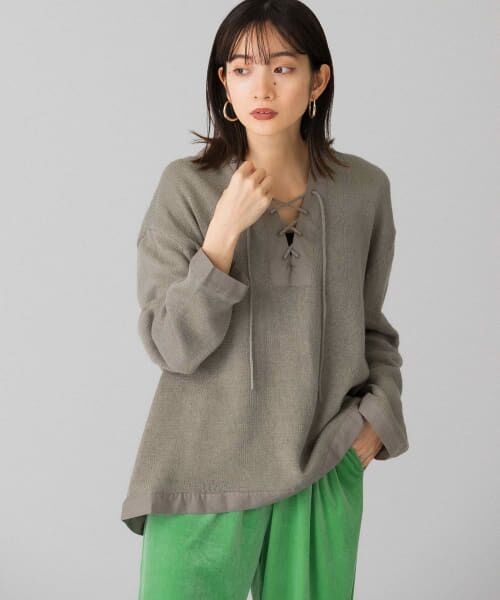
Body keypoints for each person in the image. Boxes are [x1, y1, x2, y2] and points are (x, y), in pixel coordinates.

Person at [121, 1, 410, 598]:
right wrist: (223, 233)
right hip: (200, 474)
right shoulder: (187, 186)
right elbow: (172, 346)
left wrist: (374, 424)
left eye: (282, 68)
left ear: (317, 80)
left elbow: (370, 327)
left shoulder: (364, 189)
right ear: (223, 83)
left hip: (321, 464)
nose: (262, 87)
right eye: (242, 68)